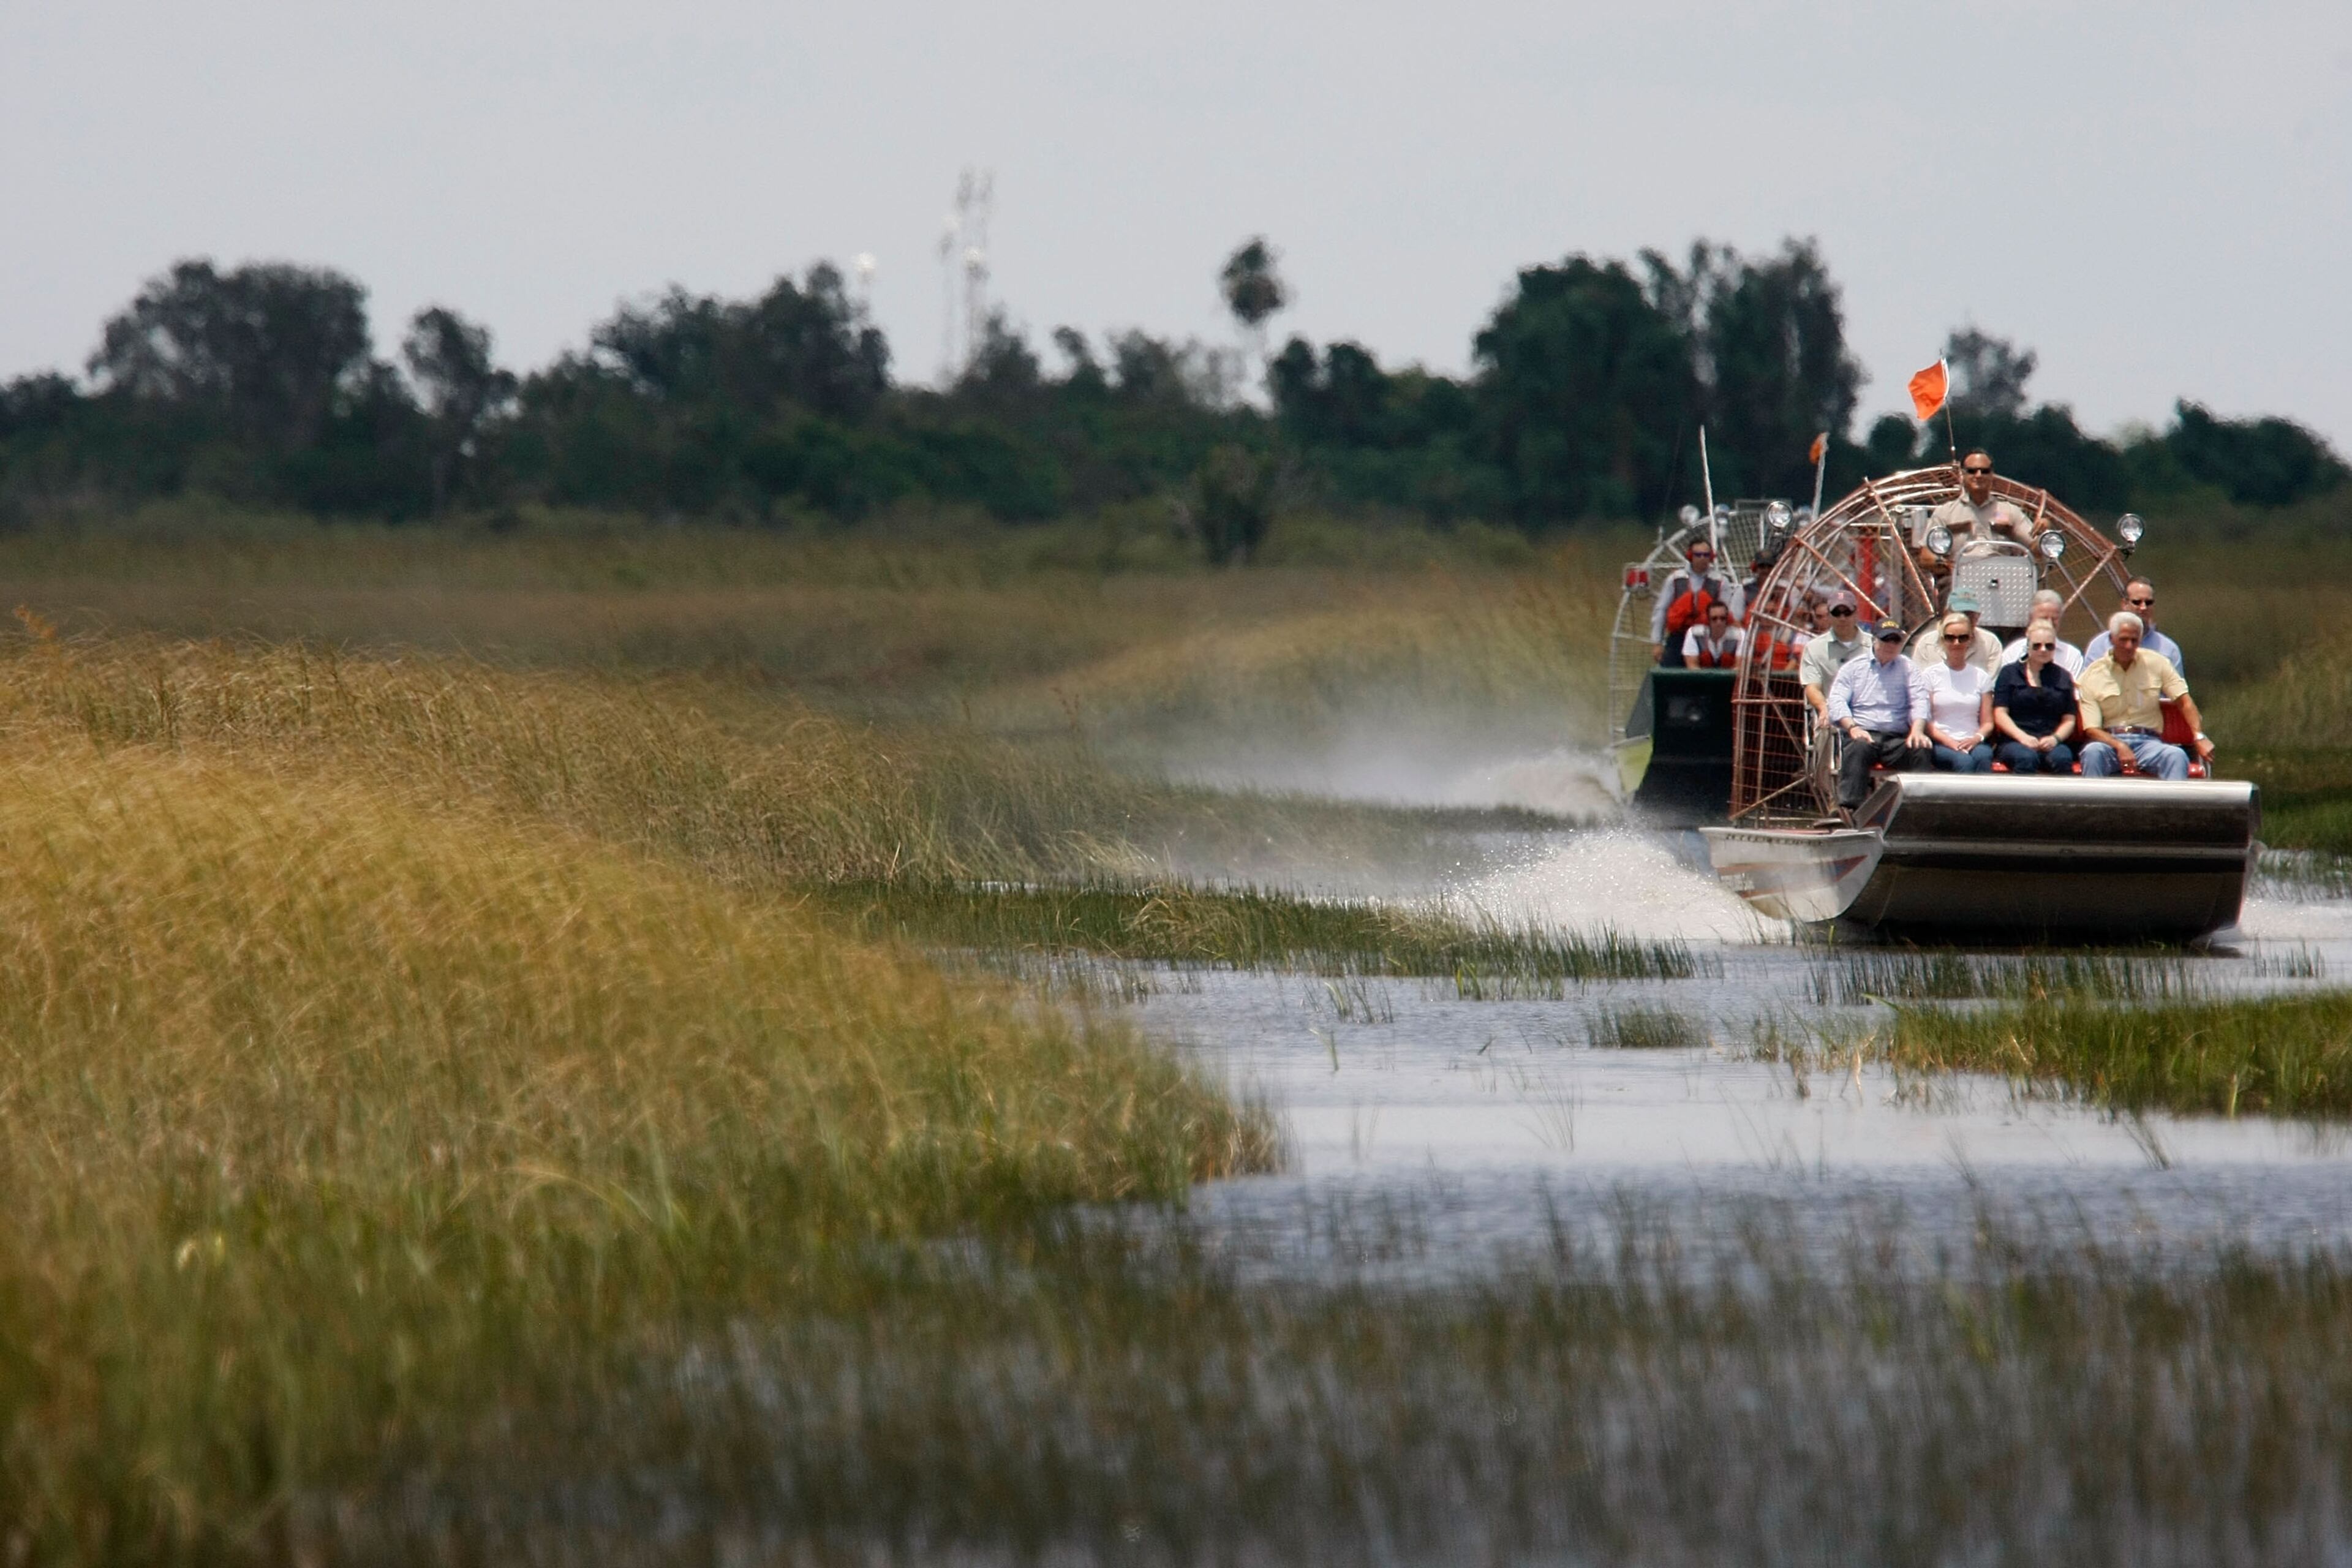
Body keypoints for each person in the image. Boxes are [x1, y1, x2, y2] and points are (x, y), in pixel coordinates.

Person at [2077, 611, 2212, 780]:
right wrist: (2119, 746)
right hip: (2109, 742)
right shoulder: (2094, 673)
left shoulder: (2158, 663)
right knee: (2092, 752)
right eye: (2123, 640)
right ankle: (2092, 806)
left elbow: (2184, 701)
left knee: (2176, 756)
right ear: (2112, 639)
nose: (2129, 646)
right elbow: (2092, 728)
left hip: (2149, 742)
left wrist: (2199, 737)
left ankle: (2173, 807)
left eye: (2134, 640)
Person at [1825, 617, 1929, 810]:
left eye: (1895, 640)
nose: (1891, 645)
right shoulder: (1853, 668)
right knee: (1858, 748)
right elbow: (1837, 700)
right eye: (1885, 639)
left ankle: (1919, 808)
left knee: (1921, 749)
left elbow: (1919, 700)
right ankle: (1847, 809)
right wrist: (1853, 727)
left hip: (1897, 738)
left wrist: (1918, 730)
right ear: (1874, 640)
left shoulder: (1909, 668)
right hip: (1864, 733)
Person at [1912, 449, 2033, 568]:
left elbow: (2036, 546)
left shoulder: (2011, 512)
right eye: (1972, 471)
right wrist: (1946, 565)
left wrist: (2045, 527)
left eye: (1985, 471)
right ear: (1962, 474)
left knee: (2045, 589)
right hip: (1957, 577)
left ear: (1992, 475)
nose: (1979, 476)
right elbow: (1926, 556)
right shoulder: (1945, 513)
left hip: (2002, 577)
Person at [1991, 619, 2079, 772]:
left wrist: (2055, 739)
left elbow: (2069, 719)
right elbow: (2000, 713)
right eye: (2037, 646)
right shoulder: (2009, 673)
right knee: (2026, 758)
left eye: (2049, 646)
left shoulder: (2063, 677)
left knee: (2062, 758)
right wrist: (2022, 737)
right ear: (2028, 647)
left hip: (2051, 740)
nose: (2043, 650)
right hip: (2015, 741)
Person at [1913, 612, 1996, 772]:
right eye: (1950, 638)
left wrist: (1975, 739)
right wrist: (1951, 743)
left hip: (1974, 740)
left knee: (1983, 758)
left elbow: (1988, 723)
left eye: (1962, 638)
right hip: (1941, 742)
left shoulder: (1981, 676)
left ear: (1970, 639)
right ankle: (1964, 798)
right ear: (1943, 640)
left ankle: (1984, 797)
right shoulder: (1930, 675)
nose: (1956, 643)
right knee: (1963, 762)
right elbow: (1927, 722)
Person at [1650, 540, 1741, 666]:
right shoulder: (1675, 580)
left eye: (1706, 555)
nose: (1702, 558)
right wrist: (1657, 642)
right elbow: (1661, 610)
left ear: (1711, 557)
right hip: (1678, 638)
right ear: (1690, 556)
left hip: (1705, 638)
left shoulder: (1721, 582)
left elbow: (1727, 613)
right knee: (1670, 675)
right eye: (1698, 555)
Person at [2082, 578, 2185, 672]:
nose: (2143, 607)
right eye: (2137, 602)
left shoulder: (2168, 649)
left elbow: (2178, 690)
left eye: (2149, 602)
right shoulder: (2100, 645)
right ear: (2125, 604)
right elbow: (2087, 687)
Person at [1799, 598, 1869, 717]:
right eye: (1836, 614)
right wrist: (1823, 708)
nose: (1842, 618)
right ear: (1830, 617)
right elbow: (1812, 687)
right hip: (1832, 717)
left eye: (1847, 613)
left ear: (1856, 614)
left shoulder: (1874, 645)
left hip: (1870, 717)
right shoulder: (1814, 648)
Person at [1910, 588, 2002, 676]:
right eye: (1960, 614)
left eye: (1970, 615)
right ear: (1946, 613)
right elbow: (1920, 684)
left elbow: (1990, 685)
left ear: (1978, 616)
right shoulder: (1927, 644)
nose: (1965, 620)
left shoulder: (1990, 644)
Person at [1998, 590, 2084, 676]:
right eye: (2044, 618)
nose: (2050, 623)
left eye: (2054, 619)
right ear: (2030, 619)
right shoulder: (2014, 652)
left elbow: (2074, 688)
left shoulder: (2071, 655)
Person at [1681, 600, 1744, 668]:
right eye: (1714, 619)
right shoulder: (1694, 633)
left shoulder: (1740, 635)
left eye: (1723, 618)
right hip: (1701, 676)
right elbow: (1692, 666)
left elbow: (1739, 668)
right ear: (1708, 620)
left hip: (1731, 677)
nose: (1719, 622)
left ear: (1727, 619)